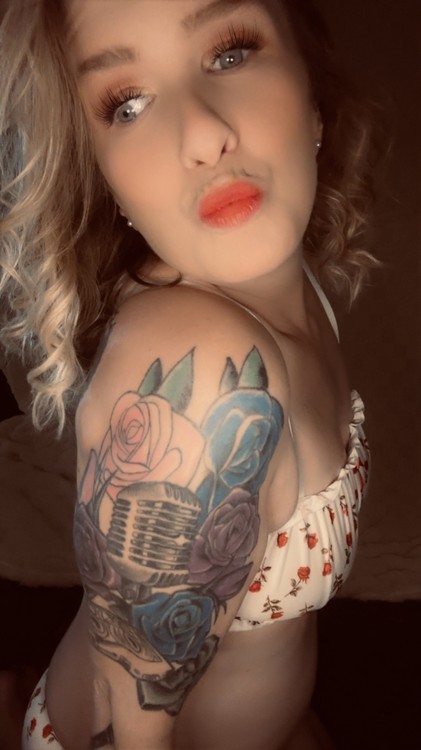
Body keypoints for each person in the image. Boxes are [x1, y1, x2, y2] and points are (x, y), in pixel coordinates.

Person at [0, 1, 378, 748]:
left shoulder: (283, 282)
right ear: (103, 175)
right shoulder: (203, 365)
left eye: (230, 53)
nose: (203, 135)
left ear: (311, 91)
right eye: (128, 105)